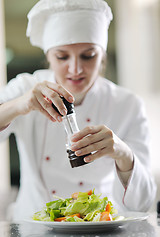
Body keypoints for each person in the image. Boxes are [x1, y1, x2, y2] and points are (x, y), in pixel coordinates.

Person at [0, 0, 156, 221]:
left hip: (99, 227)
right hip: (34, 227)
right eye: (62, 56)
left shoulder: (127, 104)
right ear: (48, 57)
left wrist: (123, 153)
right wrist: (18, 105)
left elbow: (142, 203)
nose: (75, 69)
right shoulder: (25, 87)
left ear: (102, 56)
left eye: (88, 55)